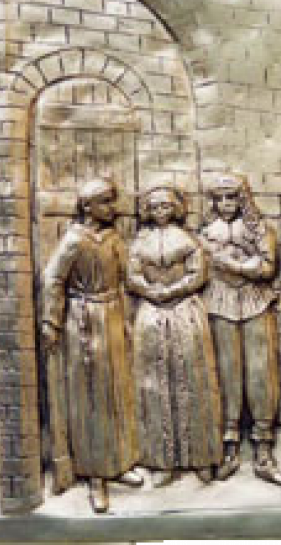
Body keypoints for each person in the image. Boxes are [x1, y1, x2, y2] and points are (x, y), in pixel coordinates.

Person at [41, 178, 142, 514]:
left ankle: (119, 463)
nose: (113, 208)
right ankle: (95, 475)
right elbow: (53, 280)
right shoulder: (74, 240)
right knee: (91, 398)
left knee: (117, 392)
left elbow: (129, 276)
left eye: (113, 201)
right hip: (83, 320)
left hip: (112, 316)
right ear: (87, 206)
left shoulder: (113, 238)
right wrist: (52, 321)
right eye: (106, 202)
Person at [127, 183, 223, 488]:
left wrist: (173, 290)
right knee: (154, 384)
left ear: (176, 208)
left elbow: (198, 274)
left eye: (166, 206)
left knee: (193, 379)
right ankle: (162, 460)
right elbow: (132, 275)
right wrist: (150, 290)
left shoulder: (187, 239)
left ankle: (201, 456)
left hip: (184, 311)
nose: (160, 212)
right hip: (151, 312)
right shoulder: (140, 242)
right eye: (155, 207)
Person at [200, 174, 281, 487]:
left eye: (232, 198)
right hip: (219, 302)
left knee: (261, 373)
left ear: (242, 199)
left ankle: (264, 449)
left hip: (255, 301)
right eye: (220, 198)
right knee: (228, 374)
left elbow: (267, 266)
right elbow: (201, 267)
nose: (226, 204)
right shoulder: (205, 232)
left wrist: (236, 266)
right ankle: (229, 445)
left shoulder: (258, 228)